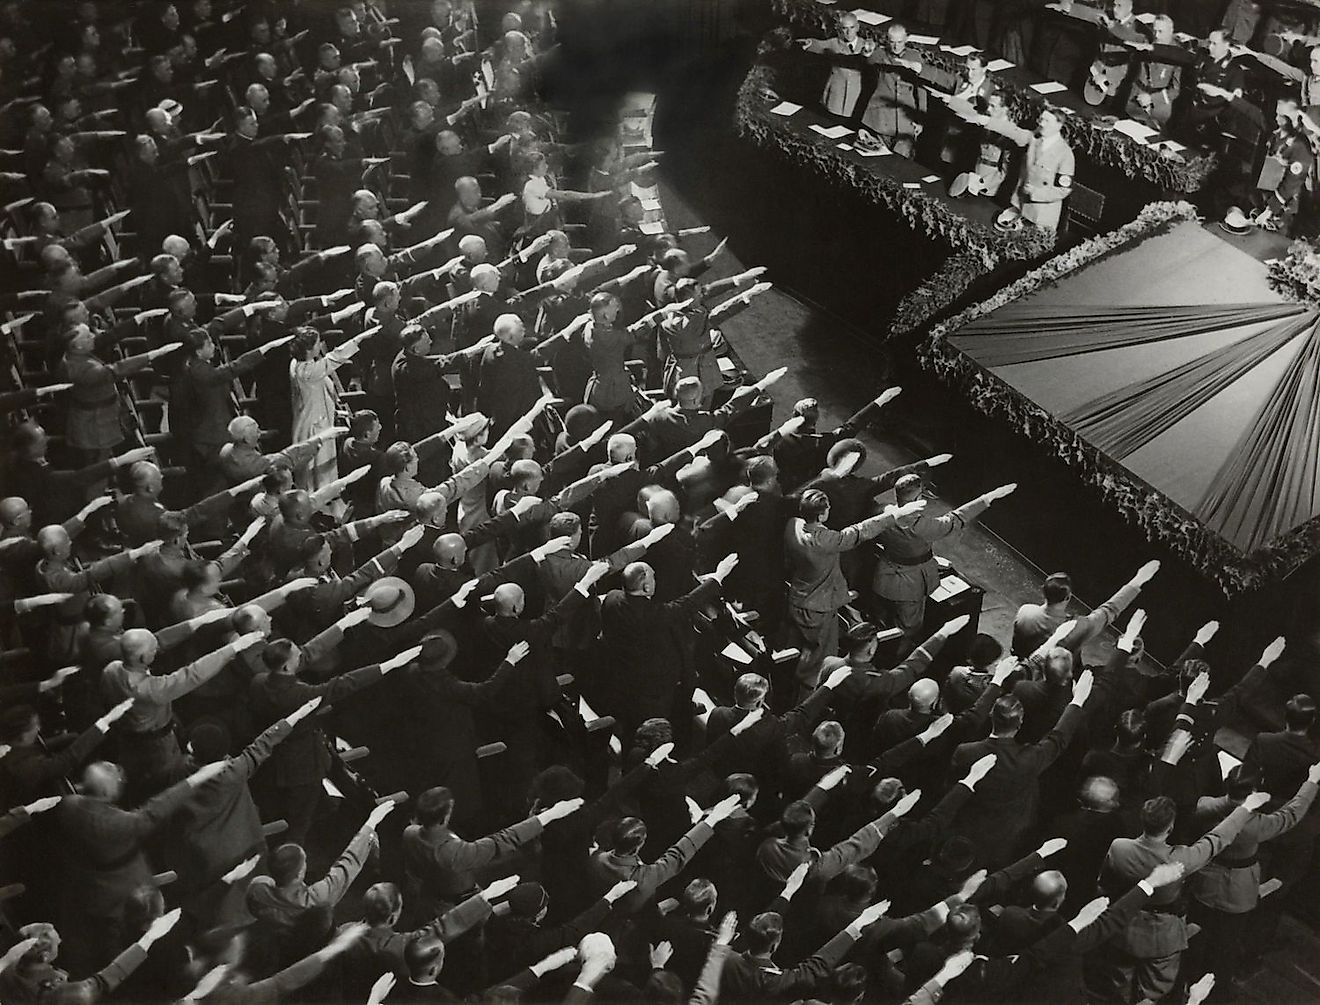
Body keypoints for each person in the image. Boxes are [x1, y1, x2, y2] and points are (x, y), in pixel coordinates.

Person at [872, 478, 1014, 645]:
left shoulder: (881, 511)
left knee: (882, 617)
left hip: (884, 576)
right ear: (918, 499)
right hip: (909, 585)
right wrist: (988, 498)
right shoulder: (922, 526)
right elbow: (955, 518)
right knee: (909, 628)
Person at [997, 108, 1075, 232]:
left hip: (1041, 217)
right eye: (1041, 119)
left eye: (1047, 121)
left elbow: (1063, 189)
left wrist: (1036, 193)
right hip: (1021, 208)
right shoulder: (1035, 138)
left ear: (1058, 125)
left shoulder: (1065, 154)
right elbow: (1014, 132)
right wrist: (985, 120)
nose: (1041, 123)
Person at [798, 13, 870, 120]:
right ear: (840, 29)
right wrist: (809, 43)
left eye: (852, 28)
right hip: (835, 96)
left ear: (858, 27)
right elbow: (820, 45)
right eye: (845, 28)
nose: (848, 32)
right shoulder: (835, 43)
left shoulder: (865, 45)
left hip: (855, 96)